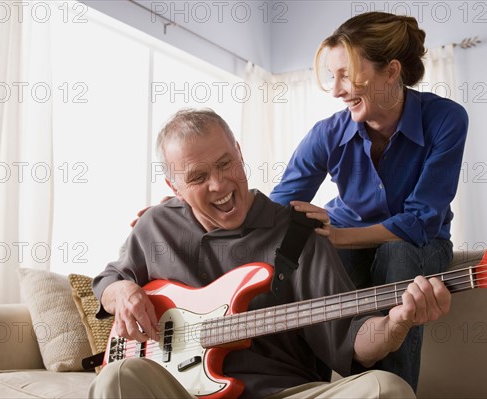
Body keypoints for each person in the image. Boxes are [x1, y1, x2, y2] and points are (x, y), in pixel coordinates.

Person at [90, 108, 451, 399]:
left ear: (240, 152)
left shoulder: (298, 232)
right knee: (115, 378)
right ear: (175, 186)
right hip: (179, 392)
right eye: (198, 177)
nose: (218, 184)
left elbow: (353, 339)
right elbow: (109, 280)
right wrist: (120, 291)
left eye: (225, 163)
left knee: (386, 389)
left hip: (285, 392)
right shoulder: (156, 225)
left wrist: (398, 322)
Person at [269, 12, 469, 391]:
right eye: (333, 75)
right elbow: (276, 208)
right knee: (314, 260)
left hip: (420, 245)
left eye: (347, 75)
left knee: (398, 256)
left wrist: (338, 237)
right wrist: (192, 210)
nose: (336, 90)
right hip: (347, 238)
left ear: (391, 71)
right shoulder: (326, 133)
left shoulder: (446, 119)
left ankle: (393, 393)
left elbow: (421, 221)